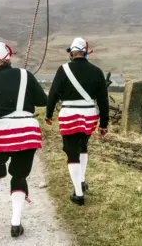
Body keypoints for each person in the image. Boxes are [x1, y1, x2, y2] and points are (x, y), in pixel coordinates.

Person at [0, 42, 47, 237]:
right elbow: (42, 101)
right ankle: (16, 222)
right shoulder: (26, 75)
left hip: (1, 131)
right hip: (27, 130)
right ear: (9, 59)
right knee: (19, 176)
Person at [45, 37, 109, 206]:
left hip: (69, 114)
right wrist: (104, 124)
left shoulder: (63, 69)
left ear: (72, 52)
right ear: (86, 53)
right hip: (89, 115)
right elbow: (103, 100)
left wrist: (48, 114)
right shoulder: (96, 71)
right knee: (83, 147)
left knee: (71, 151)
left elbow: (53, 94)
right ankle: (81, 181)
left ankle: (78, 194)